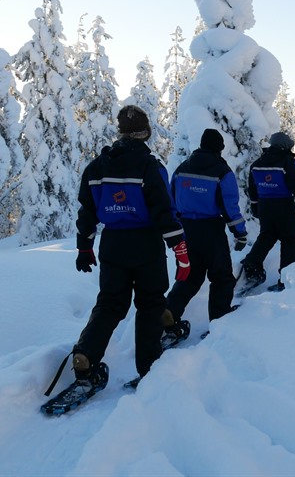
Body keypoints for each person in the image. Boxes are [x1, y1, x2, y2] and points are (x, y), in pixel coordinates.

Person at [69, 104, 191, 387]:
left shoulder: (96, 167)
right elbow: (164, 209)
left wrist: (84, 247)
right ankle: (150, 370)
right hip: (146, 243)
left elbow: (86, 211)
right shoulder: (150, 167)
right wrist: (179, 247)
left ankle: (86, 355)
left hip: (112, 243)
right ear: (145, 133)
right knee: (150, 304)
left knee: (110, 303)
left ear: (121, 132)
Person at [166, 128, 248, 327]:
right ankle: (219, 321)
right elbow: (229, 206)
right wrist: (240, 233)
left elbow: (172, 199)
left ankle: (169, 311)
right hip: (211, 230)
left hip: (185, 230)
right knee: (222, 278)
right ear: (219, 148)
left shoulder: (182, 168)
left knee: (189, 276)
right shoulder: (222, 171)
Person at [239, 131, 295, 292]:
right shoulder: (288, 162)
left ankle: (252, 265)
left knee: (266, 236)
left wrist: (255, 206)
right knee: (290, 240)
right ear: (285, 146)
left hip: (265, 205)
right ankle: (285, 278)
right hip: (283, 205)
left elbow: (252, 188)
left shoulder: (257, 163)